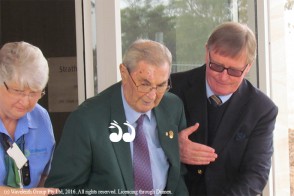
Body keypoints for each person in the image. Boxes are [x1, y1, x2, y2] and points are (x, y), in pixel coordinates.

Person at [45, 39, 188, 195]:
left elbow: (176, 175)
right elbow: (61, 190)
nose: (152, 96)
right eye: (145, 84)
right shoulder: (87, 120)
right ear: (124, 73)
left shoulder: (173, 107)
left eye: (161, 85)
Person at [170, 22, 278, 195]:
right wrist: (171, 148)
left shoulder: (262, 110)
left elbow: (255, 174)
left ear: (248, 67)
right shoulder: (171, 88)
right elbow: (138, 144)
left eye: (234, 71)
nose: (223, 77)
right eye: (217, 66)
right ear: (207, 53)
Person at [0, 42, 58, 195]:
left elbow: (45, 175)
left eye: (34, 93)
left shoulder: (41, 117)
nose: (26, 102)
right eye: (18, 91)